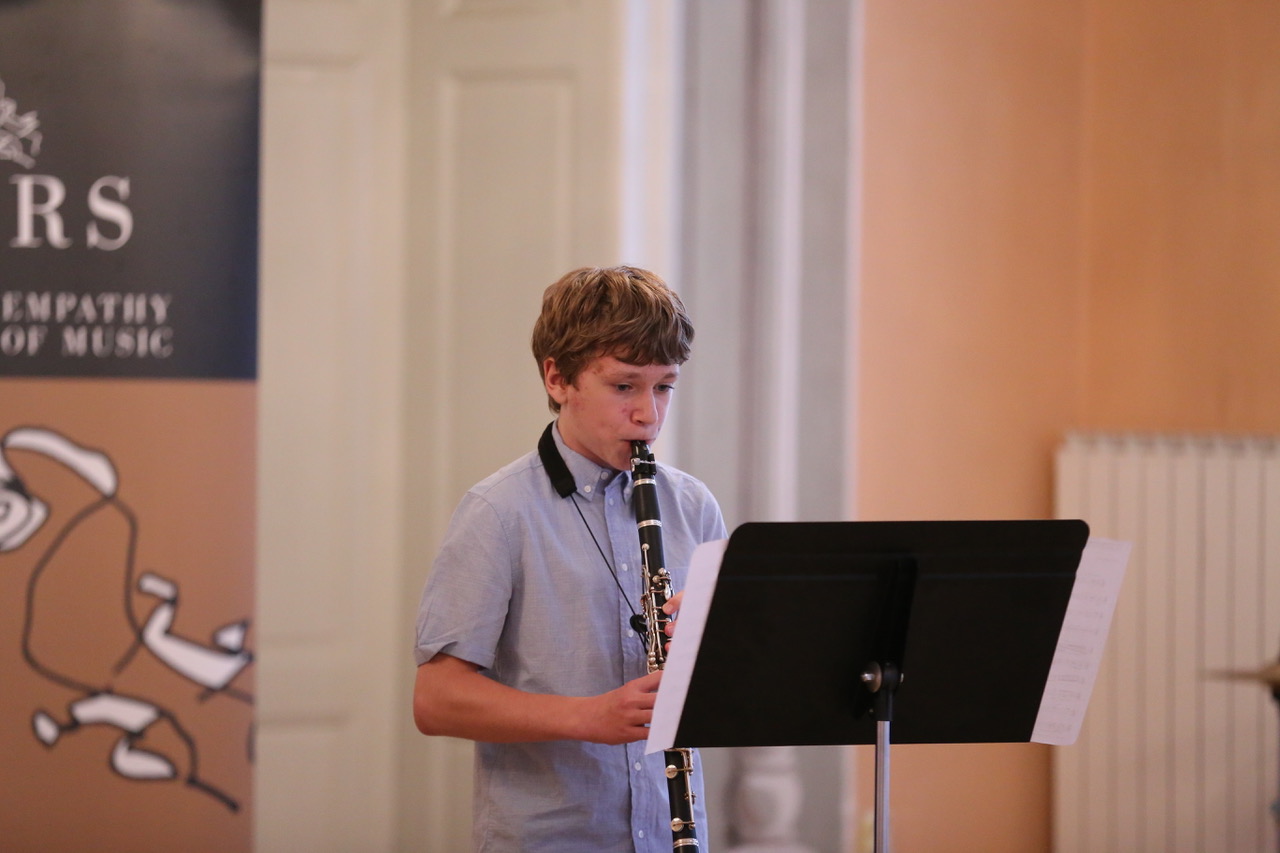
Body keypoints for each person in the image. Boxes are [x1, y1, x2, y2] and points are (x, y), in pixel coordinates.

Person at [413, 265, 727, 852]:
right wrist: (588, 717)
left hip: (669, 834)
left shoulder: (692, 506)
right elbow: (436, 701)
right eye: (624, 386)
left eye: (664, 387)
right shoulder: (498, 511)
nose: (649, 414)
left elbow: (724, 688)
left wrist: (714, 650)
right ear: (558, 378)